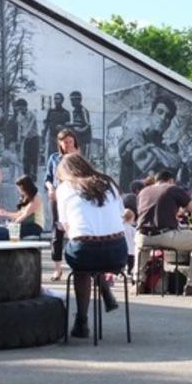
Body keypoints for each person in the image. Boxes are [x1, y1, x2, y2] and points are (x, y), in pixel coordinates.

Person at [56, 154, 126, 338]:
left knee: (82, 265)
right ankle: (104, 289)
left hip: (85, 251)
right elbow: (121, 215)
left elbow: (65, 225)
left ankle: (82, 320)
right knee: (94, 253)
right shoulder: (109, 183)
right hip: (117, 250)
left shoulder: (64, 188)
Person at [136, 170, 192, 296]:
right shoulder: (172, 189)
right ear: (171, 180)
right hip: (165, 235)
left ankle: (139, 282)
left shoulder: (144, 191)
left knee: (142, 247)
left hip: (142, 236)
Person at [118, 96, 181, 191]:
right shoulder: (135, 136)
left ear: (169, 123)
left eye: (168, 116)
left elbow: (177, 162)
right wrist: (164, 157)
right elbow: (143, 161)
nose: (163, 118)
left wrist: (153, 148)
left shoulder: (163, 145)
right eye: (159, 112)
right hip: (132, 199)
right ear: (151, 114)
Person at [44, 129, 80, 281]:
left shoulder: (78, 159)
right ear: (60, 143)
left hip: (74, 198)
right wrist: (50, 188)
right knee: (56, 232)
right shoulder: (54, 158)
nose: (68, 145)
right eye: (65, 142)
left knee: (76, 230)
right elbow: (48, 178)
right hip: (57, 197)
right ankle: (57, 268)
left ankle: (77, 265)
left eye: (70, 142)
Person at [0, 175, 45, 239]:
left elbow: (25, 215)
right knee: (3, 229)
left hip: (35, 226)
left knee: (8, 232)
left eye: (20, 188)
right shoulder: (25, 198)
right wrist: (6, 214)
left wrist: (13, 225)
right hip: (25, 224)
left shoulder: (36, 197)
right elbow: (20, 214)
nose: (19, 190)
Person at [7, 99, 40, 180]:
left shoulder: (32, 115)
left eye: (20, 108)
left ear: (24, 107)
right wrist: (19, 142)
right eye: (18, 108)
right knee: (26, 158)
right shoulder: (19, 116)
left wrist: (22, 139)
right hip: (25, 139)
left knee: (34, 157)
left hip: (34, 138)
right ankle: (27, 176)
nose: (19, 110)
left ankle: (34, 175)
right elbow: (19, 130)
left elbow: (28, 128)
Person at [42, 93, 71, 158]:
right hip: (52, 137)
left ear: (62, 100)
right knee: (52, 156)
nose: (56, 101)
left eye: (58, 99)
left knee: (61, 156)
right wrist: (43, 136)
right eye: (55, 99)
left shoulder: (66, 113)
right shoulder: (51, 111)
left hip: (61, 138)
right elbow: (47, 124)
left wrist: (62, 127)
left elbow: (68, 127)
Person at [69, 91, 92, 156]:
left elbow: (87, 125)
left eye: (73, 100)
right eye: (71, 100)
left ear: (79, 100)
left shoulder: (83, 110)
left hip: (84, 140)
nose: (72, 102)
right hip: (77, 139)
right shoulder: (74, 111)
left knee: (83, 159)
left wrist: (77, 130)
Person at [122, 208, 137, 282]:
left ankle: (122, 273)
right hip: (131, 250)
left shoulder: (120, 228)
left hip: (122, 249)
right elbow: (135, 239)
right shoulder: (132, 229)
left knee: (123, 263)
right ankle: (130, 272)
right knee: (131, 263)